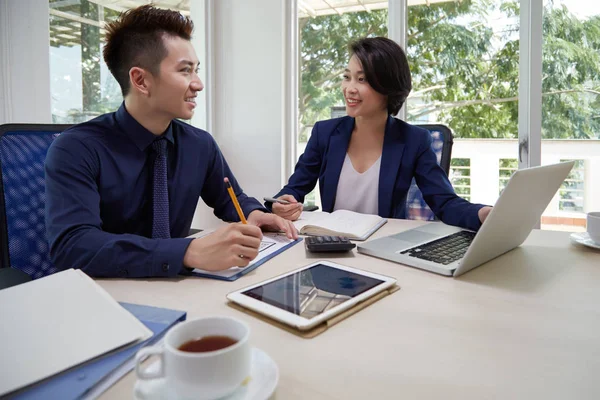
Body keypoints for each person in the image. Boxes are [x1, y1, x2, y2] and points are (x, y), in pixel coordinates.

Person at [45, 5, 297, 279]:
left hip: (179, 290)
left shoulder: (199, 144)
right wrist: (188, 252)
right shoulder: (77, 149)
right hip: (105, 295)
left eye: (196, 70)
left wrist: (252, 212)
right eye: (185, 71)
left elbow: (230, 199)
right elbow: (73, 246)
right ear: (141, 80)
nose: (198, 84)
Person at [267, 37, 492, 231]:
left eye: (362, 79)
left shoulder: (414, 140)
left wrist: (483, 214)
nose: (349, 88)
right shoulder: (324, 133)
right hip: (332, 246)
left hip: (384, 247)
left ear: (388, 87)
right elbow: (294, 189)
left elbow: (444, 202)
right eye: (347, 77)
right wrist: (283, 202)